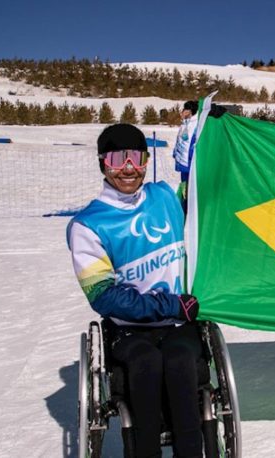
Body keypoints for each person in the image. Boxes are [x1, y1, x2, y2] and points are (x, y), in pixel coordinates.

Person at [67, 123, 202, 457]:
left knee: (181, 360)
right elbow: (103, 296)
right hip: (130, 331)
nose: (127, 168)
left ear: (145, 161)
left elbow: (205, 192)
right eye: (117, 159)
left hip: (177, 326)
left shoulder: (165, 196)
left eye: (136, 158)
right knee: (146, 362)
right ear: (103, 163)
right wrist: (169, 305)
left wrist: (206, 138)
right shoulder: (88, 225)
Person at [173, 100, 199, 194]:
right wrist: (175, 152)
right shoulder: (185, 123)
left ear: (190, 111)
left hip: (190, 164)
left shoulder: (196, 124)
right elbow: (180, 139)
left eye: (185, 109)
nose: (182, 111)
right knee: (184, 189)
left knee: (191, 190)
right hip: (183, 163)